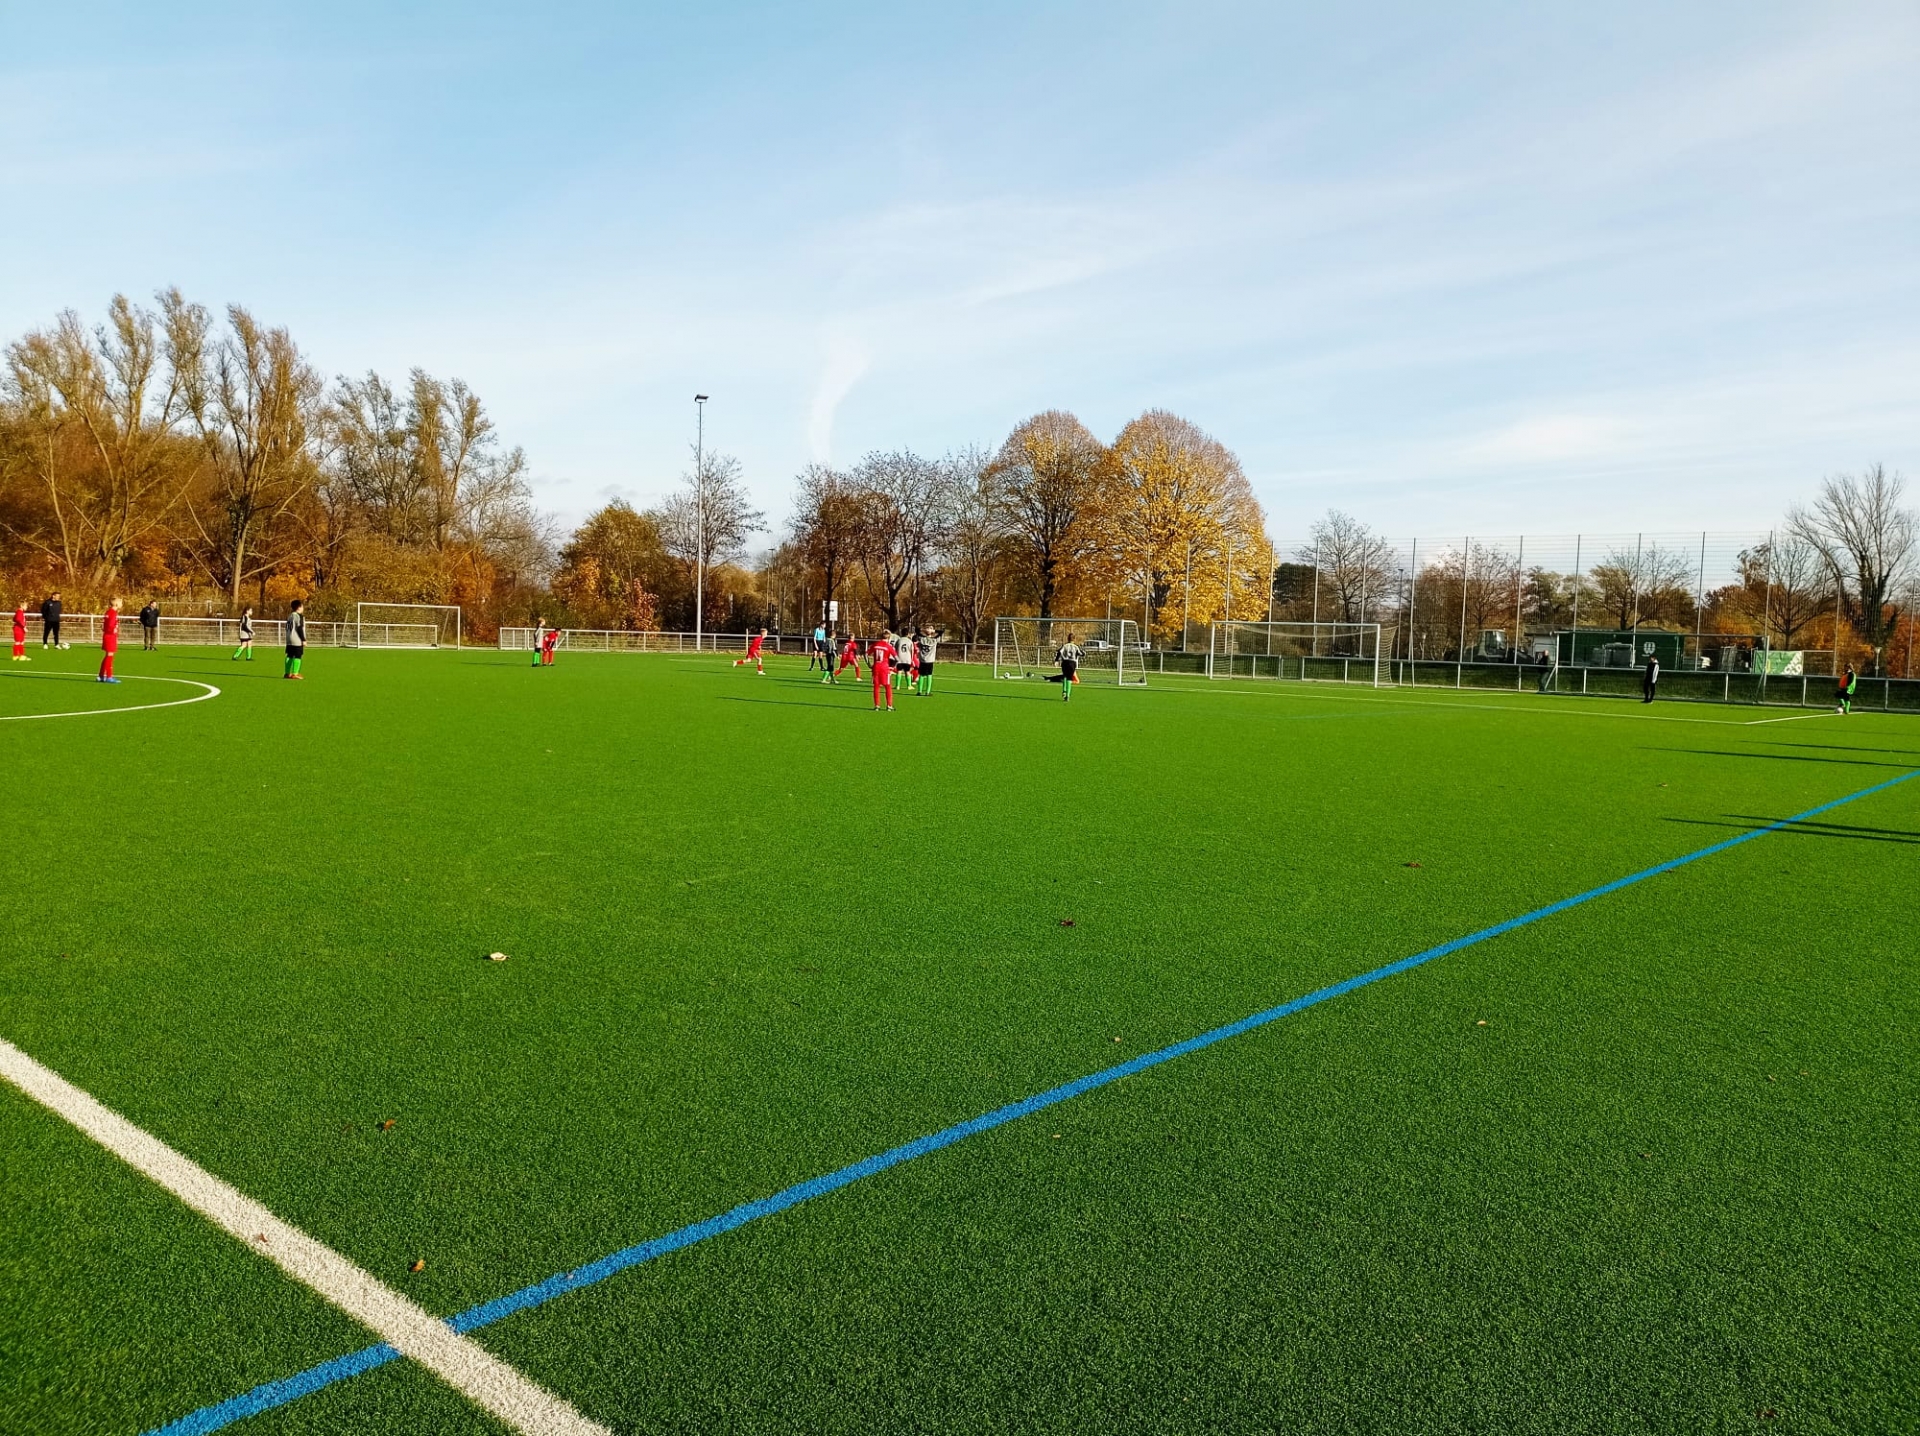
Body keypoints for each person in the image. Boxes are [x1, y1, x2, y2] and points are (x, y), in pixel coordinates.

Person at [1052, 632, 1084, 701]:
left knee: (1065, 676)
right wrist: (1083, 652)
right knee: (1069, 678)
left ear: (1068, 639)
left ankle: (1064, 691)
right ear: (1074, 639)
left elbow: (1059, 652)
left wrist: (1056, 660)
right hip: (1072, 663)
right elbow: (1081, 653)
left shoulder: (1065, 646)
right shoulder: (1076, 647)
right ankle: (1068, 696)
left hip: (1065, 662)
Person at [870, 631, 896, 711]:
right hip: (885, 668)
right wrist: (892, 668)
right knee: (888, 686)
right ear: (888, 638)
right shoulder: (888, 646)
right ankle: (889, 705)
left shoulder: (875, 644)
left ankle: (877, 706)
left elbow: (866, 654)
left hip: (876, 667)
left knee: (876, 686)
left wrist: (869, 665)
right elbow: (897, 658)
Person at [98, 597, 121, 683]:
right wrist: (113, 630)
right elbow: (110, 625)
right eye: (121, 602)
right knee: (110, 656)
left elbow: (104, 625)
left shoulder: (108, 612)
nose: (122, 604)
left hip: (107, 635)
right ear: (116, 604)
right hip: (110, 636)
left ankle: (101, 676)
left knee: (108, 656)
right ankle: (109, 676)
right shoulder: (113, 613)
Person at [284, 598, 306, 680]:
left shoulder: (290, 616)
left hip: (289, 639)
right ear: (299, 607)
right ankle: (295, 673)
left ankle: (287, 673)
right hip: (296, 639)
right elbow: (299, 628)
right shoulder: (298, 616)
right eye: (302, 606)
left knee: (289, 655)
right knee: (298, 656)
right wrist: (303, 639)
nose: (303, 608)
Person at [914, 627, 939, 696]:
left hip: (922, 660)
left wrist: (924, 630)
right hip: (930, 660)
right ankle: (927, 692)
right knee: (929, 675)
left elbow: (917, 630)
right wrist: (933, 631)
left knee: (921, 675)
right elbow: (941, 632)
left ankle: (919, 691)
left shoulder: (922, 639)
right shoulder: (934, 640)